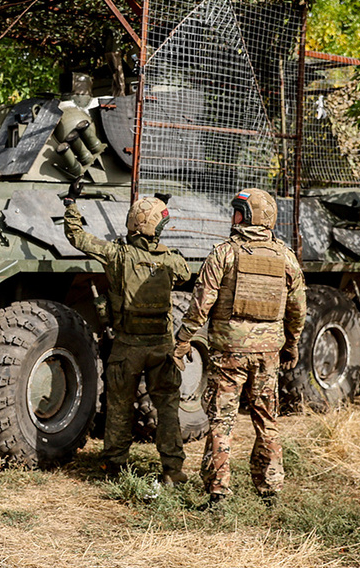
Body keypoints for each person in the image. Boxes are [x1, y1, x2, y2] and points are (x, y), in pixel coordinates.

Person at [173, 188, 305, 509]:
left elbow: (200, 304)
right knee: (267, 418)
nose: (232, 217)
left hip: (229, 351)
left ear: (248, 217)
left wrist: (183, 339)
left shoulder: (224, 254)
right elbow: (298, 307)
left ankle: (218, 491)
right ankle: (270, 490)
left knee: (222, 420)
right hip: (268, 353)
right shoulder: (286, 256)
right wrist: (292, 342)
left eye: (237, 211)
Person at [63, 182, 191, 485]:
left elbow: (77, 237)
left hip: (126, 347)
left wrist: (71, 205)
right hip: (162, 346)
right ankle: (173, 470)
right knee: (168, 410)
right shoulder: (170, 259)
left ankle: (116, 467)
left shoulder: (117, 256)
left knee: (119, 409)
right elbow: (185, 273)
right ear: (155, 229)